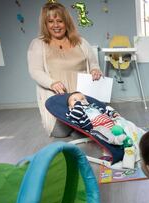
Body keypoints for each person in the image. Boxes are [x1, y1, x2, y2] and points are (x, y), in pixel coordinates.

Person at [27, 2, 102, 137]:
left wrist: (95, 70)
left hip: (81, 97)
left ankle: (82, 123)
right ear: (45, 24)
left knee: (89, 130)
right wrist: (51, 82)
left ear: (66, 22)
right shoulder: (38, 44)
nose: (56, 25)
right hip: (57, 97)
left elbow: (93, 63)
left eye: (60, 21)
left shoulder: (81, 42)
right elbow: (35, 71)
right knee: (60, 133)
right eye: (51, 21)